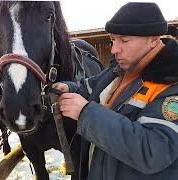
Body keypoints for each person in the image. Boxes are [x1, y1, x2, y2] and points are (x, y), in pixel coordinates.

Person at [53, 2, 178, 180]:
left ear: (153, 39)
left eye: (124, 40)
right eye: (112, 40)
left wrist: (86, 113)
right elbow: (91, 87)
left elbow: (152, 151)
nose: (114, 49)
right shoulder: (120, 70)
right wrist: (69, 87)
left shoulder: (171, 85)